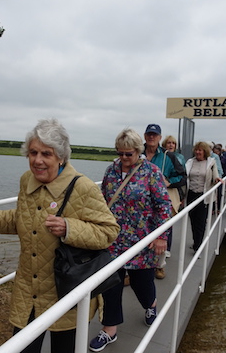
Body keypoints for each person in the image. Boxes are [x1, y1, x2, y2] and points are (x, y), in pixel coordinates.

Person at [0, 118, 120, 353]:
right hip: (28, 289)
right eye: (33, 152)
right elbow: (21, 219)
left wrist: (69, 228)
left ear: (61, 157)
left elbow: (109, 231)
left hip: (66, 289)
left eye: (46, 154)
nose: (38, 160)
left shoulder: (83, 187)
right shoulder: (26, 181)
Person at [89, 128, 172, 352]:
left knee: (141, 283)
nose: (124, 159)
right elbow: (104, 200)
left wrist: (161, 236)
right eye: (121, 154)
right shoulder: (112, 171)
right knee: (111, 285)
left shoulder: (151, 172)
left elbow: (164, 206)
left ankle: (151, 305)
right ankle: (110, 330)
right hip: (113, 239)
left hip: (141, 240)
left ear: (138, 151)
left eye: (129, 154)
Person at [143, 124, 187, 279]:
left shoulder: (169, 157)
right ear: (145, 136)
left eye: (155, 135)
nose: (151, 137)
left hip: (159, 199)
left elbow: (182, 176)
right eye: (149, 134)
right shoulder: (137, 152)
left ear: (160, 138)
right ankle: (133, 268)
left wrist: (169, 182)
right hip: (140, 200)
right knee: (137, 232)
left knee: (160, 230)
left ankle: (159, 266)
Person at [185, 142, 221, 252]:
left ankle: (198, 246)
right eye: (196, 150)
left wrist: (217, 179)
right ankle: (196, 241)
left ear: (205, 151)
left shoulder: (211, 162)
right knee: (192, 219)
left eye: (200, 150)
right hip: (191, 193)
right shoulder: (190, 162)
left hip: (204, 195)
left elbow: (215, 175)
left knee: (200, 221)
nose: (197, 152)